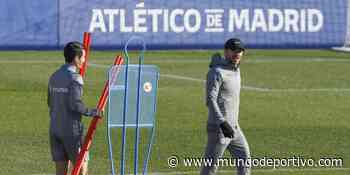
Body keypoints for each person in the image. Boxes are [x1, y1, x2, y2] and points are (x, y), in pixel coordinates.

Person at [47, 41, 101, 175]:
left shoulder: (53, 76)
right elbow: (75, 105)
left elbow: (50, 102)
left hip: (54, 129)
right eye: (83, 57)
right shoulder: (75, 78)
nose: (84, 61)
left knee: (60, 171)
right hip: (72, 131)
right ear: (76, 58)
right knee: (82, 168)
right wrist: (94, 112)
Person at [200, 38, 251, 175]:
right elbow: (210, 99)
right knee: (210, 169)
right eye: (234, 51)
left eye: (240, 51)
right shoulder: (216, 72)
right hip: (219, 129)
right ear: (226, 52)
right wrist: (222, 122)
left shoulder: (236, 69)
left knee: (245, 161)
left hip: (234, 128)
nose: (238, 54)